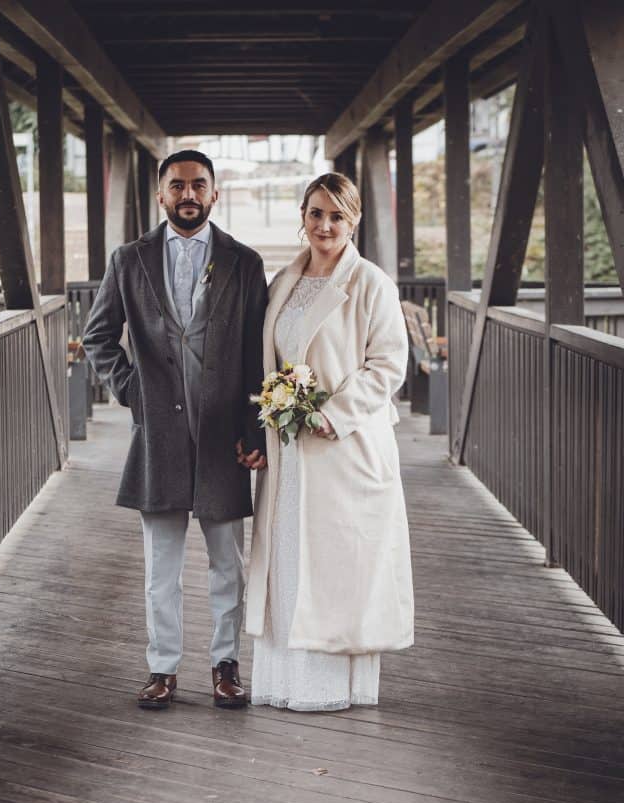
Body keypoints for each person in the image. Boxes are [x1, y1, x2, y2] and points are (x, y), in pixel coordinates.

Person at [82, 150, 267, 710]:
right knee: (160, 568)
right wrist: (135, 394)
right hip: (158, 437)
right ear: (160, 194)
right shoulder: (129, 258)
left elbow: (258, 349)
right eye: (178, 185)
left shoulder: (244, 261)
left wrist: (255, 428)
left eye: (199, 185)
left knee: (226, 565)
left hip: (223, 437)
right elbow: (98, 337)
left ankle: (225, 667)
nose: (189, 194)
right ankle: (162, 669)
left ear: (214, 193)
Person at [245, 172, 414, 711]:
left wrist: (331, 414)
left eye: (336, 216)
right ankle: (284, 680)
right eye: (316, 213)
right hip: (289, 449)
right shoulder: (284, 283)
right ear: (303, 215)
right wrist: (274, 410)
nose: (324, 225)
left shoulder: (371, 283)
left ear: (354, 220)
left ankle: (329, 687)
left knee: (338, 562)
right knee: (289, 554)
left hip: (344, 447)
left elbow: (388, 366)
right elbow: (268, 359)